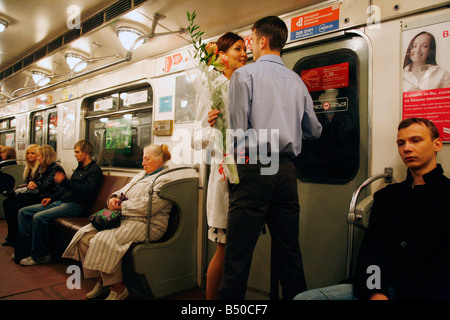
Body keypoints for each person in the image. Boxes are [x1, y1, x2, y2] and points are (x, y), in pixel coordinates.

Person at [213, 16, 322, 300]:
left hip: (253, 168)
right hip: (286, 171)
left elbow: (237, 131)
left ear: (262, 40)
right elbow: (314, 130)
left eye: (251, 40)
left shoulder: (244, 75)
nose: (250, 47)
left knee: (237, 257)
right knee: (290, 254)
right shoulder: (297, 82)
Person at [294, 117, 450, 300]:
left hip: (429, 292)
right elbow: (374, 251)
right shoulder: (388, 196)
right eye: (401, 143)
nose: (407, 148)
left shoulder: (446, 195)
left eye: (416, 140)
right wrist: (376, 292)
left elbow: (444, 264)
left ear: (437, 144)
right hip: (387, 285)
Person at [62, 144, 173, 300]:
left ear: (159, 160)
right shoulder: (141, 175)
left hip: (149, 224)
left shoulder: (165, 180)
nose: (143, 163)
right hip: (128, 218)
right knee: (85, 236)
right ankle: (101, 281)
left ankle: (118, 288)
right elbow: (123, 191)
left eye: (147, 159)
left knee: (102, 239)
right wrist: (114, 198)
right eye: (143, 159)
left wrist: (122, 205)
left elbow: (151, 205)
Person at [193, 32, 248, 300]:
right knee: (224, 251)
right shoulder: (210, 91)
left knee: (239, 252)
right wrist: (213, 126)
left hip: (247, 175)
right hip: (224, 175)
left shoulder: (245, 84)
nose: (244, 53)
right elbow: (196, 140)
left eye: (245, 48)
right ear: (222, 56)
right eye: (238, 48)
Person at [17, 140, 103, 266]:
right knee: (23, 212)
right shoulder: (80, 168)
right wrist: (52, 198)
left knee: (39, 217)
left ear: (86, 152)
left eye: (77, 152)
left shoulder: (94, 171)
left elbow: (86, 191)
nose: (75, 155)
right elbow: (67, 189)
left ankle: (41, 255)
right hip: (63, 201)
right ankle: (25, 249)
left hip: (74, 205)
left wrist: (65, 182)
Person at [3, 144, 54, 247]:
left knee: (15, 207)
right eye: (28, 153)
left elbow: (40, 186)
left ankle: (19, 237)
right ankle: (12, 235)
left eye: (33, 153)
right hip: (31, 194)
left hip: (38, 197)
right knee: (7, 203)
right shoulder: (29, 168)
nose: (30, 155)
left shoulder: (41, 169)